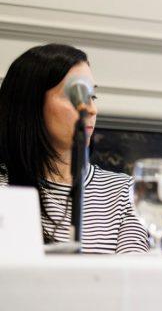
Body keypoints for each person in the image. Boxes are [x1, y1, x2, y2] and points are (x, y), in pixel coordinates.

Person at [0, 43, 149, 254]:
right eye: (75, 94)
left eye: (92, 96)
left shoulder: (123, 192)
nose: (91, 109)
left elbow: (134, 274)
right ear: (31, 103)